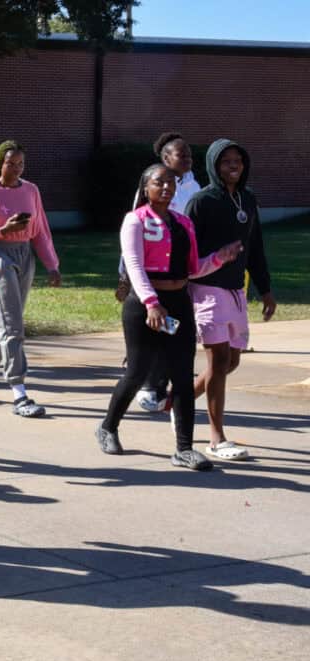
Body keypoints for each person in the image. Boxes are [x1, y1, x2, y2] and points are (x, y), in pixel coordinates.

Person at [96, 163, 242, 471]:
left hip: (178, 303)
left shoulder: (183, 223)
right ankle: (108, 427)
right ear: (145, 188)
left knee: (182, 375)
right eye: (159, 182)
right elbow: (134, 267)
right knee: (137, 372)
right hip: (144, 306)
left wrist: (219, 257)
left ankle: (184, 449)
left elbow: (192, 268)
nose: (166, 187)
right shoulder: (134, 221)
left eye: (171, 183)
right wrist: (151, 303)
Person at [187, 139, 276, 461]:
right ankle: (216, 439)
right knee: (218, 362)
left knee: (232, 362)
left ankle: (177, 402)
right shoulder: (201, 202)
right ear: (214, 165)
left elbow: (256, 248)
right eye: (226, 161)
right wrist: (215, 259)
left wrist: (265, 289)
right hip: (207, 288)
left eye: (238, 160)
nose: (233, 165)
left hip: (237, 290)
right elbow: (188, 251)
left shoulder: (248, 200)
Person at [0, 140, 61, 416]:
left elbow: (40, 229)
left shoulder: (31, 190)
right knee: (13, 326)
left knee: (4, 323)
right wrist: (2, 231)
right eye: (10, 163)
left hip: (24, 256)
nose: (16, 169)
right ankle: (19, 392)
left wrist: (51, 264)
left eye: (20, 164)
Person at [129, 132, 201, 412]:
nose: (187, 159)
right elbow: (134, 236)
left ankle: (165, 385)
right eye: (180, 155)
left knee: (177, 333)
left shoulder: (193, 185)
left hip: (181, 271)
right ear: (165, 158)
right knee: (156, 333)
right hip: (153, 273)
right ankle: (149, 385)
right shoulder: (151, 187)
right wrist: (126, 276)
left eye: (189, 155)